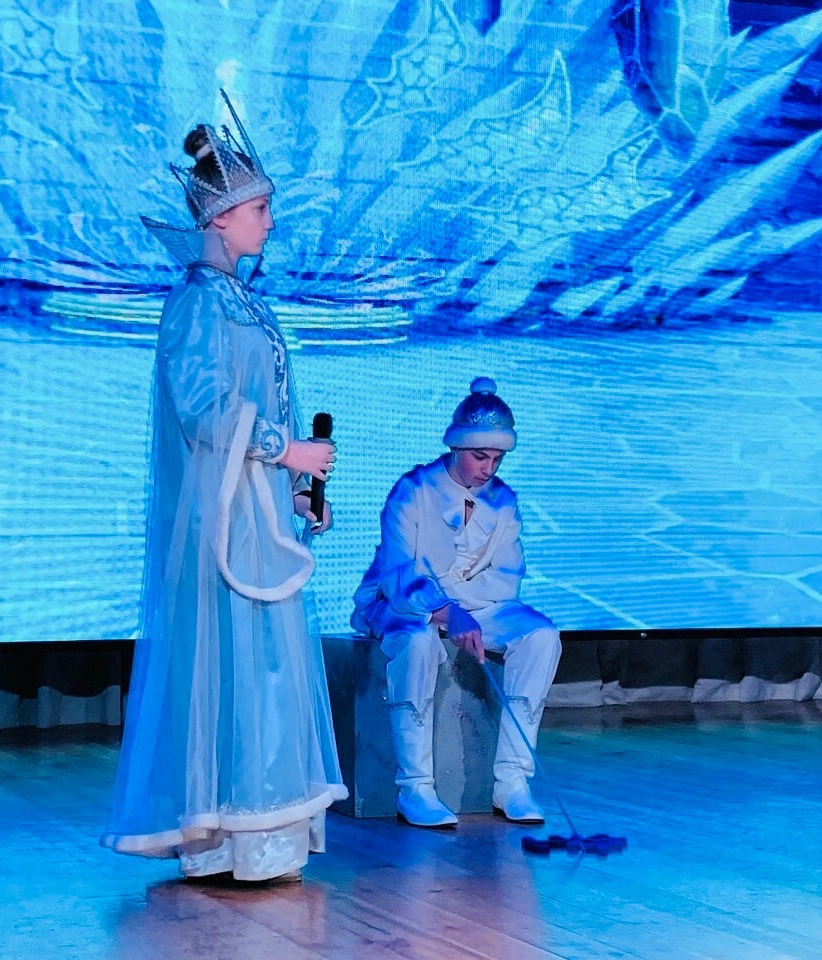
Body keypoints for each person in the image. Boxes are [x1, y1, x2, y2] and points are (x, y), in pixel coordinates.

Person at [101, 92, 347, 883]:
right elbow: (204, 409)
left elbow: (262, 403)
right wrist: (286, 450)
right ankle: (224, 832)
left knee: (267, 665)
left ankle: (260, 833)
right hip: (223, 517)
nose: (270, 223)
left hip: (260, 509)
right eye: (260, 210)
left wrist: (298, 485)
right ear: (221, 219)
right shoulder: (197, 303)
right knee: (234, 664)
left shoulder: (247, 303)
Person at [351, 378, 562, 828]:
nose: (489, 468)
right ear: (456, 446)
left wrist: (459, 608)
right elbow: (398, 572)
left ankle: (512, 780)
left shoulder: (504, 502)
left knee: (541, 636)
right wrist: (444, 610)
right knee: (418, 643)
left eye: (497, 459)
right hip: (404, 603)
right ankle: (415, 787)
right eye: (480, 456)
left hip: (475, 606)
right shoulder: (413, 490)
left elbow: (506, 579)